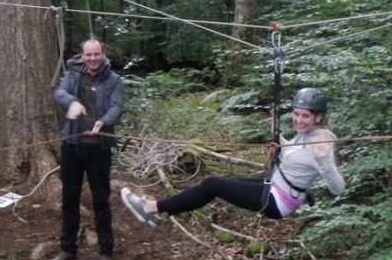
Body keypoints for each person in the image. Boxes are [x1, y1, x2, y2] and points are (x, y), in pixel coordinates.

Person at [121, 87, 344, 226]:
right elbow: (293, 154)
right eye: (296, 114)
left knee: (213, 184)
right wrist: (276, 131)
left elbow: (337, 189)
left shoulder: (322, 139)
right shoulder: (305, 135)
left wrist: (325, 163)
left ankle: (152, 208)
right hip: (273, 186)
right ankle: (162, 214)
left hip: (277, 201)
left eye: (305, 116)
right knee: (224, 179)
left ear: (319, 117)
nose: (299, 120)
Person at [49, 38, 125, 260]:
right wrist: (71, 102)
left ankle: (106, 252)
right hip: (72, 145)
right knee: (69, 197)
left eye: (96, 54)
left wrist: (104, 121)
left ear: (103, 54)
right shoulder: (73, 74)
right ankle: (67, 249)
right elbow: (59, 92)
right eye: (88, 55)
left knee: (101, 200)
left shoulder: (114, 80)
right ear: (82, 56)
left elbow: (116, 107)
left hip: (99, 149)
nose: (92, 59)